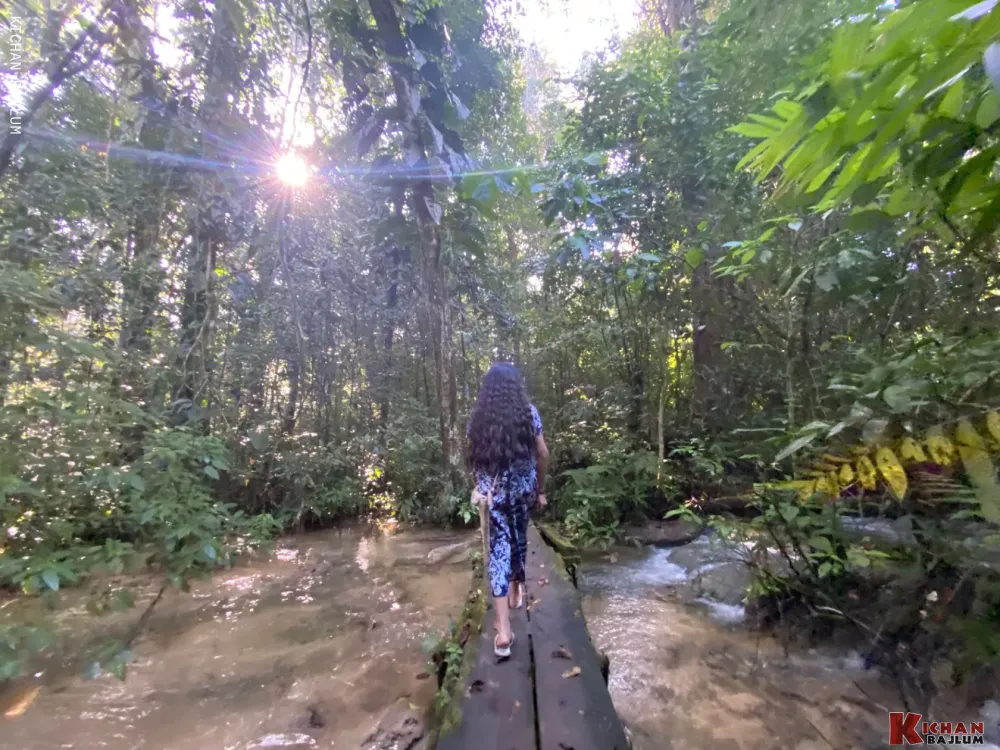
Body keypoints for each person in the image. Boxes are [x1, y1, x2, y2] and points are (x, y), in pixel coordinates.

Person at [466, 362, 548, 658]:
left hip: (494, 497)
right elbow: (542, 453)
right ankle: (515, 591)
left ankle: (503, 631)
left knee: (499, 551)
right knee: (519, 540)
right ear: (516, 386)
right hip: (522, 492)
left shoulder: (477, 418)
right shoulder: (528, 413)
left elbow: (475, 460)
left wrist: (481, 487)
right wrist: (541, 490)